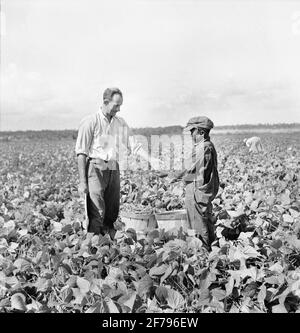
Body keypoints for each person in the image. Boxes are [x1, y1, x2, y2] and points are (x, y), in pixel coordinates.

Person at [75, 87, 158, 238]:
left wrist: (151, 159)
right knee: (97, 210)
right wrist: (82, 182)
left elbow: (135, 145)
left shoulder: (120, 123)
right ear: (106, 102)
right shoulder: (90, 122)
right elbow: (81, 153)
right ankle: (93, 245)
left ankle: (108, 244)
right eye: (116, 105)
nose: (119, 109)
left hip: (113, 167)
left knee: (112, 210)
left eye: (120, 105)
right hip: (96, 167)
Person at [159, 116, 219, 250]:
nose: (191, 135)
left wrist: (171, 175)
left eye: (193, 131)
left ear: (201, 132)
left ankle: (203, 251)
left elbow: (188, 167)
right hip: (197, 190)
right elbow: (195, 170)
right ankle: (207, 247)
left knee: (198, 225)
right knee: (199, 222)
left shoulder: (203, 148)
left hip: (198, 192)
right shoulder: (205, 147)